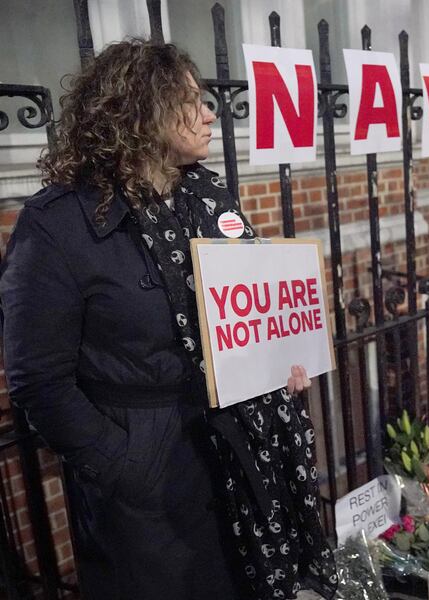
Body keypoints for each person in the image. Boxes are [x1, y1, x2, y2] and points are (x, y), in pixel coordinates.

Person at [0, 41, 336, 600]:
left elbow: (248, 311)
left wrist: (277, 363)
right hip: (143, 477)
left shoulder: (206, 196)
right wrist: (124, 463)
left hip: (228, 450)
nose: (210, 113)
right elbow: (39, 381)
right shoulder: (58, 225)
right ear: (141, 111)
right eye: (191, 101)